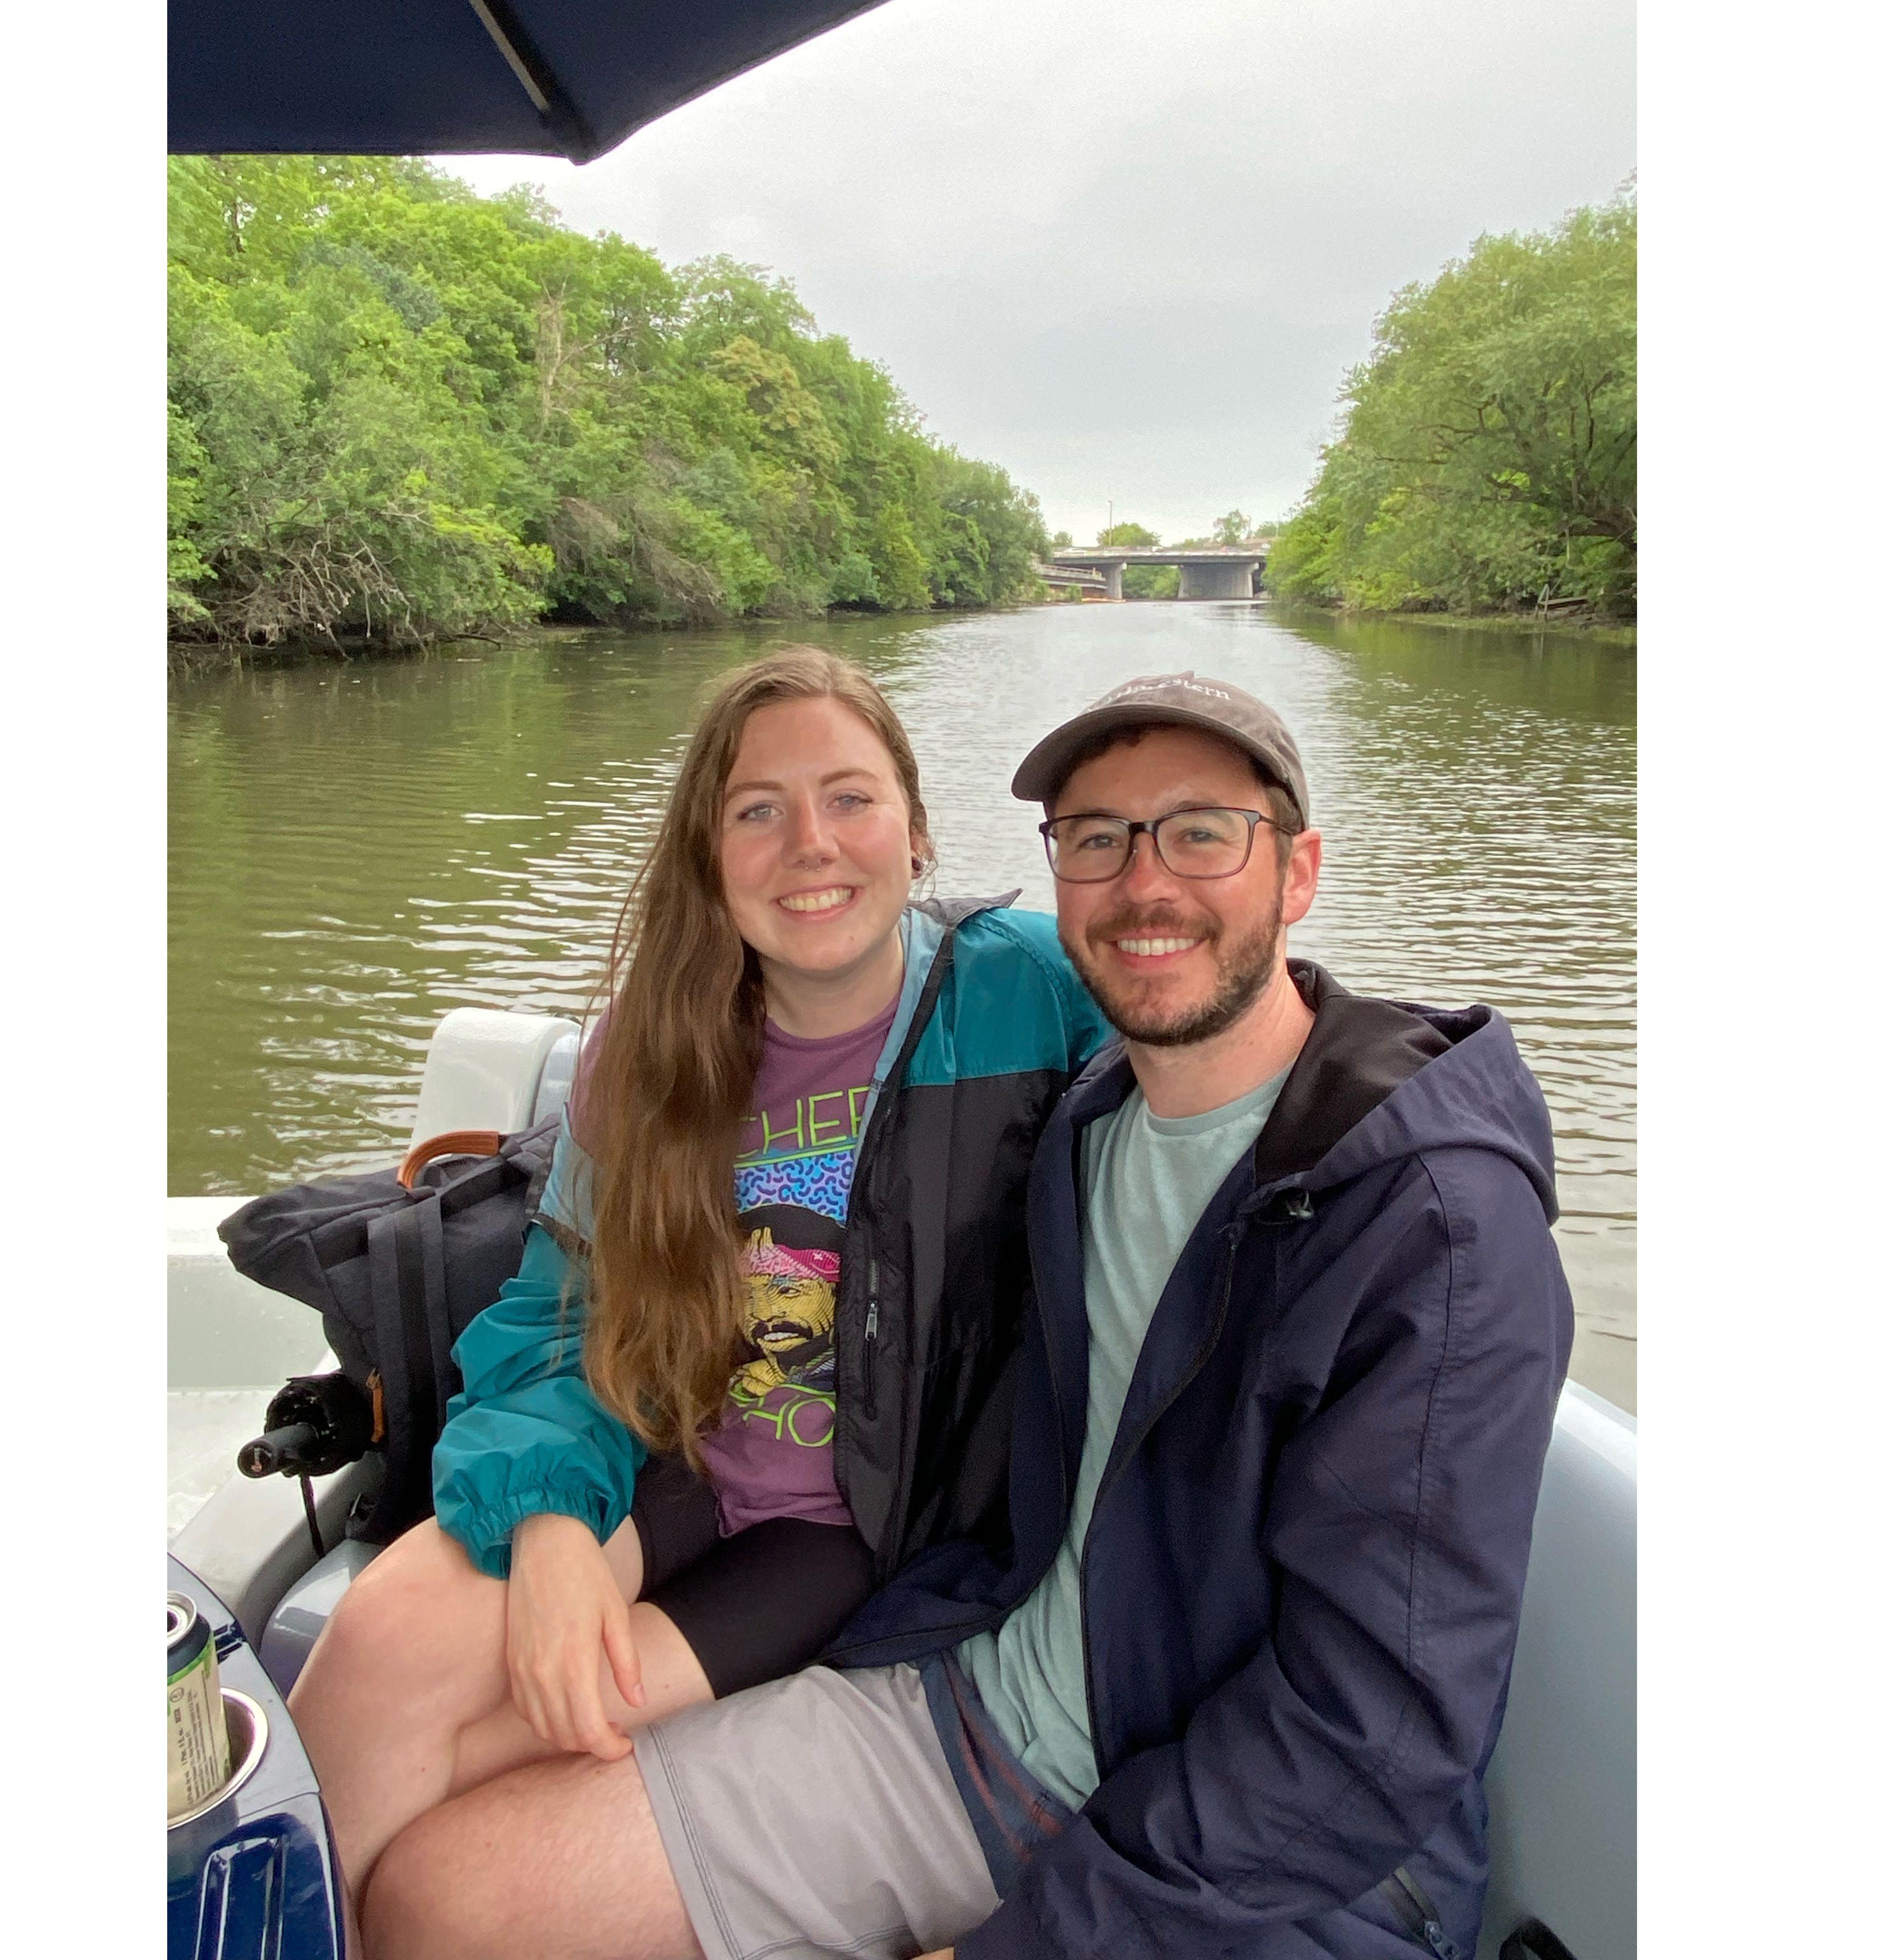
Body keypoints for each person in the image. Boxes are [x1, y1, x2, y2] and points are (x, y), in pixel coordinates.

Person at [361, 670, 1575, 1960]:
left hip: (1245, 1861)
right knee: (438, 1894)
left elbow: (1367, 1735)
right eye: (1099, 840)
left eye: (1203, 832)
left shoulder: (1427, 1226)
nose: (1147, 885)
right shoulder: (1090, 1117)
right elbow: (596, 1307)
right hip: (967, 1690)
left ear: (1301, 869)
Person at [289, 646, 1109, 1924]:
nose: (809, 846)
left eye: (849, 797)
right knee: (381, 1645)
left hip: (854, 1532)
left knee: (479, 1784)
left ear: (916, 826)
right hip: (668, 1462)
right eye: (757, 811)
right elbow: (560, 1319)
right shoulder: (651, 1045)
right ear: (707, 853)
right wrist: (555, 1522)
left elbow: (1216, 1040)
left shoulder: (1027, 993)